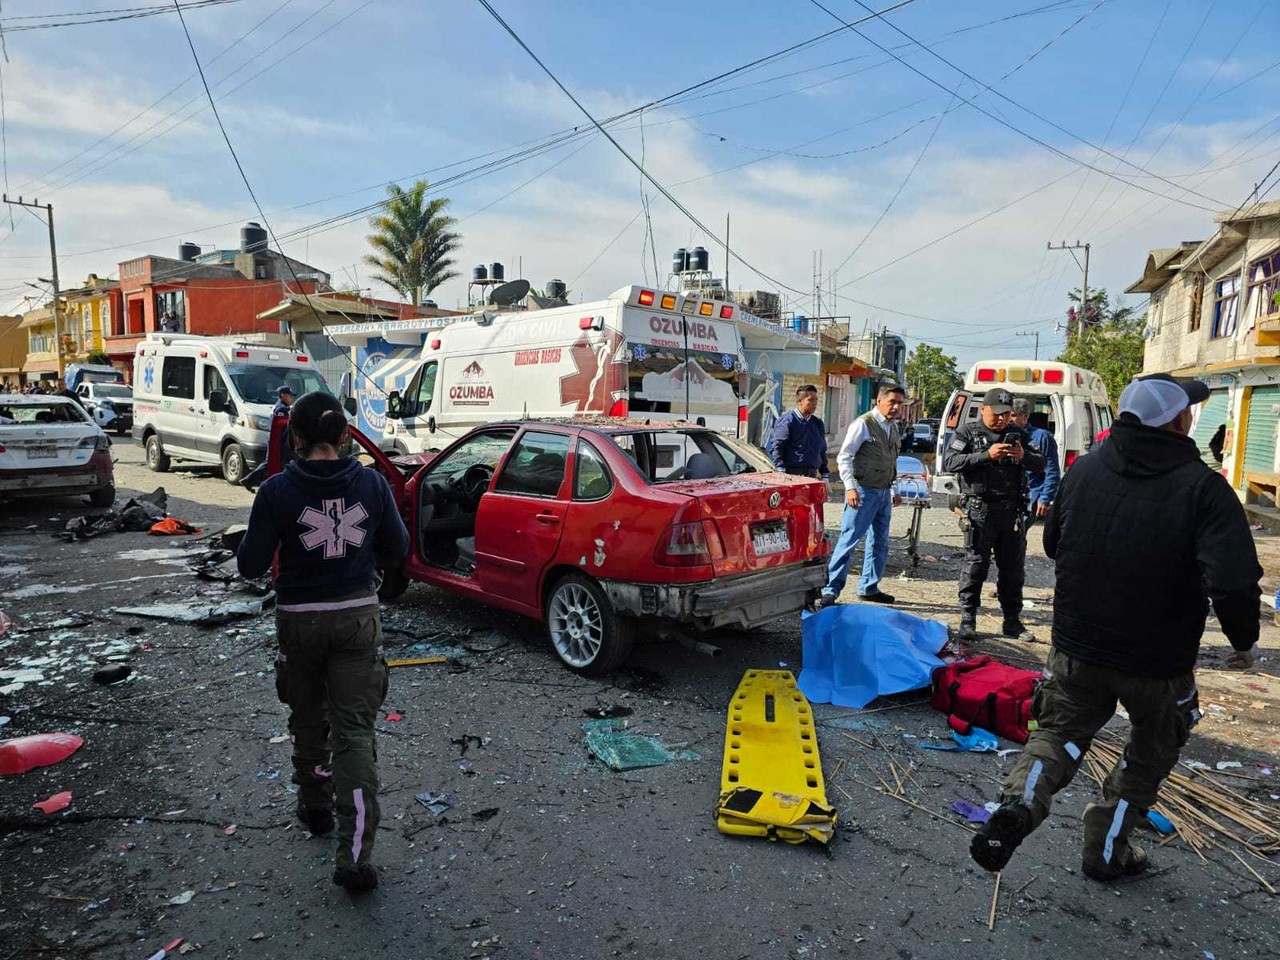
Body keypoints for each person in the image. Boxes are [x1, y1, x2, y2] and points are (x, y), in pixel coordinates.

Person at [970, 373, 1262, 882]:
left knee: (1059, 733)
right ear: (1177, 419)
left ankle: (1018, 807)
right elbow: (1234, 583)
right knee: (1150, 752)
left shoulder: (1085, 472)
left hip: (1077, 646)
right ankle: (1105, 853)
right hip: (1157, 660)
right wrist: (1243, 640)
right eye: (1188, 410)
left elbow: (1055, 545)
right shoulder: (1204, 488)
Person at [237, 391, 409, 893]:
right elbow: (397, 549)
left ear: (294, 438)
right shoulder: (373, 485)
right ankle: (354, 858)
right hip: (356, 618)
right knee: (354, 734)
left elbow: (249, 564)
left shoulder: (276, 491)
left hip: (298, 620)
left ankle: (315, 808)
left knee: (308, 719)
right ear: (343, 437)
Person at [942, 387, 1046, 642]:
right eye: (997, 413)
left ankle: (1012, 621)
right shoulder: (968, 433)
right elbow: (950, 462)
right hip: (980, 510)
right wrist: (986, 456)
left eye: (1006, 414)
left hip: (1011, 513)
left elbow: (1041, 463)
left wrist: (1023, 456)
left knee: (1013, 570)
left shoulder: (1018, 434)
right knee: (975, 565)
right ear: (983, 410)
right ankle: (968, 618)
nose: (1001, 419)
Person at [815, 384, 905, 608]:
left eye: (899, 403)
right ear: (879, 401)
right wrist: (850, 487)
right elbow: (845, 456)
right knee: (849, 540)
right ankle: (830, 590)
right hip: (863, 491)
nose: (895, 407)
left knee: (879, 542)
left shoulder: (893, 428)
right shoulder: (863, 424)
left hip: (883, 492)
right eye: (892, 402)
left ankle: (869, 587)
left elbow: (891, 461)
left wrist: (893, 490)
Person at [768, 384, 831, 483]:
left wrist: (825, 473)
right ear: (800, 402)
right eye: (810, 400)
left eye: (816, 400)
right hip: (791, 475)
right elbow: (777, 447)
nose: (814, 403)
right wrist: (780, 470)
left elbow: (822, 450)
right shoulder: (788, 421)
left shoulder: (817, 423)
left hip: (812, 475)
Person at [1010, 399, 1059, 525]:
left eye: (1014, 415)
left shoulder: (1042, 437)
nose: (1009, 419)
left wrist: (1045, 498)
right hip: (1009, 494)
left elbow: (1052, 471)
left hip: (1032, 493)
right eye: (1007, 414)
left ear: (1025, 416)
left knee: (1018, 532)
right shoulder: (1005, 436)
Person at [241, 387, 297, 491]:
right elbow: (282, 426)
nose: (292, 398)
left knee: (273, 463)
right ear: (283, 396)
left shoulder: (280, 406)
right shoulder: (282, 409)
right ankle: (251, 480)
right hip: (278, 441)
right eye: (290, 396)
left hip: (277, 440)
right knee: (272, 463)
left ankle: (250, 480)